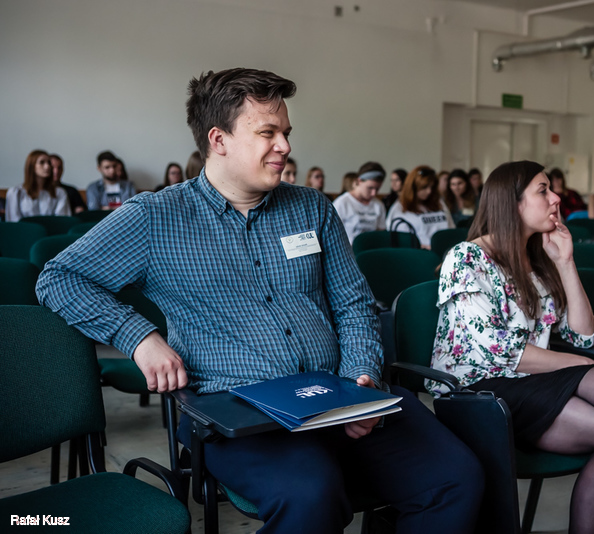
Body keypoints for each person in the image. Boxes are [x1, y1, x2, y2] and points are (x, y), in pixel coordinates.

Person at [36, 67, 482, 534]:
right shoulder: (156, 217)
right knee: (310, 493)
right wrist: (139, 338)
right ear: (219, 140)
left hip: (337, 392)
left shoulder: (311, 207)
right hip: (235, 408)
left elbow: (354, 304)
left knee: (457, 477)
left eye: (285, 132)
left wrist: (360, 378)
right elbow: (59, 278)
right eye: (267, 133)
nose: (284, 146)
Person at [429, 160, 594, 534]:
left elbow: (584, 336)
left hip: (531, 379)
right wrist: (579, 363)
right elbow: (503, 352)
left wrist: (565, 263)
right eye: (543, 190)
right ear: (513, 203)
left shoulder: (537, 258)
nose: (556, 198)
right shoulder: (466, 257)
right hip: (480, 391)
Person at [386, 165, 454, 249]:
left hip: (446, 250)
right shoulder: (399, 208)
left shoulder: (438, 202)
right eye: (424, 187)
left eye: (431, 187)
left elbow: (451, 229)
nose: (429, 191)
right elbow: (399, 241)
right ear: (413, 187)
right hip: (419, 252)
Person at [6, 150, 72, 222]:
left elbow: (62, 221)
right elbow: (13, 222)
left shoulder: (59, 192)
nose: (47, 167)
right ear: (32, 166)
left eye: (49, 163)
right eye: (42, 162)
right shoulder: (16, 193)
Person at [331, 162, 387, 244]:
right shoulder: (342, 203)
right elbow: (332, 235)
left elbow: (381, 233)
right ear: (359, 181)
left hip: (371, 249)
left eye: (377, 189)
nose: (373, 193)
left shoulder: (378, 205)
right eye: (370, 188)